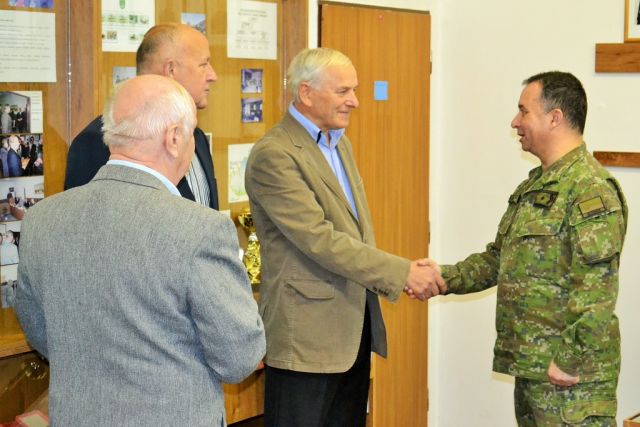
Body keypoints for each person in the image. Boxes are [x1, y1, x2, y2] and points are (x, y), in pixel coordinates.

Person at [15, 75, 265, 427]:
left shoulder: (42, 219)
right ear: (174, 138)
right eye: (192, 134)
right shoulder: (201, 229)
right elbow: (239, 356)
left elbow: (41, 332)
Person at [244, 47, 445, 427]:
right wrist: (402, 272)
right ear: (306, 93)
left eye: (354, 90)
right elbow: (320, 239)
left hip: (351, 332)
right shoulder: (275, 154)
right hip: (306, 341)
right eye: (343, 91)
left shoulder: (339, 143)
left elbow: (355, 232)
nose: (355, 101)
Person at [430, 71, 627, 426]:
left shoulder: (590, 188)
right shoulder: (537, 186)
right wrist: (442, 277)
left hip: (570, 381)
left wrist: (569, 359)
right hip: (533, 368)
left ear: (555, 117)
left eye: (524, 111)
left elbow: (597, 290)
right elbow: (498, 258)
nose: (515, 122)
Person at [64, 23, 219, 211]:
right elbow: (88, 221)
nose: (213, 76)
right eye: (204, 64)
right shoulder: (100, 140)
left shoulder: (197, 138)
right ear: (171, 70)